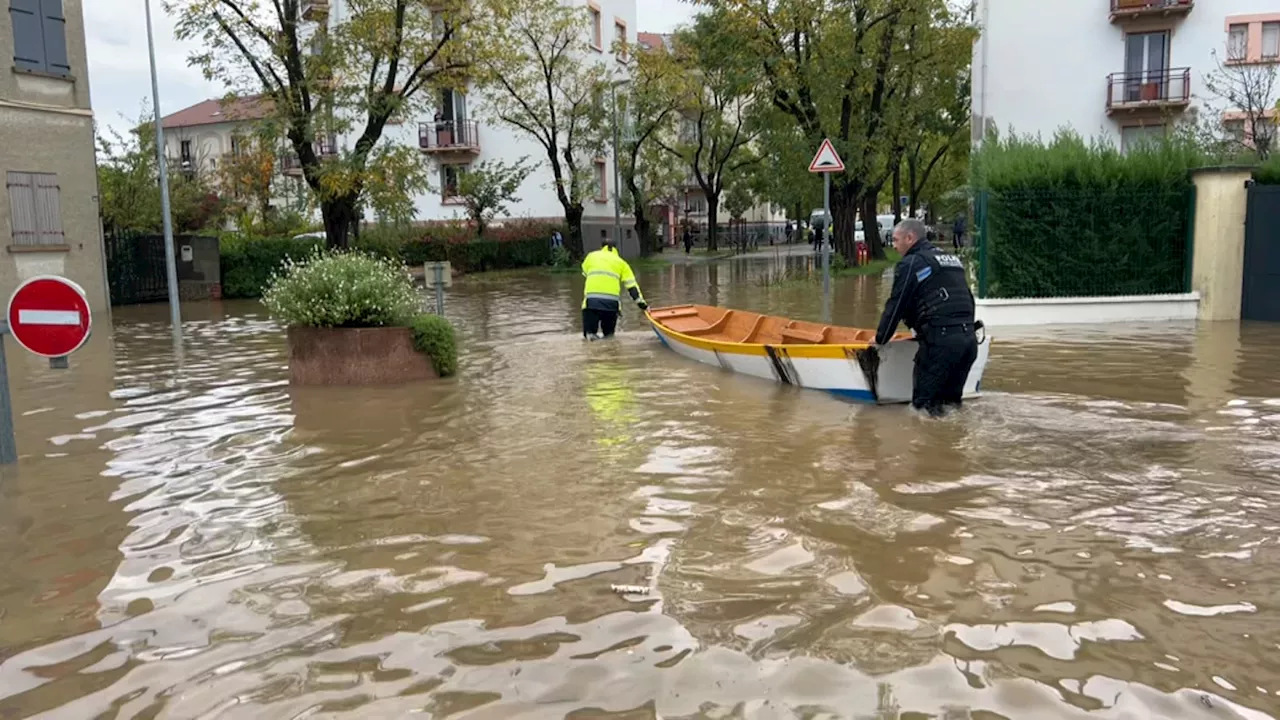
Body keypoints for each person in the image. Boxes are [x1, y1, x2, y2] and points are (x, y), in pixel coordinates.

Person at [874, 218, 978, 416]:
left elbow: (896, 304)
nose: (893, 246)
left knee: (923, 410)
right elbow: (968, 300)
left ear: (910, 238)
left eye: (896, 240)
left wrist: (881, 337)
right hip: (968, 342)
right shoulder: (951, 260)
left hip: (941, 343)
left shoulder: (911, 262)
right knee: (951, 407)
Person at [581, 237, 648, 340]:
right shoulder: (622, 263)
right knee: (609, 337)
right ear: (616, 249)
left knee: (589, 337)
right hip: (611, 305)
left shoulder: (591, 257)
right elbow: (632, 286)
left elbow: (585, 273)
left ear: (602, 247)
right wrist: (642, 304)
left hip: (591, 302)